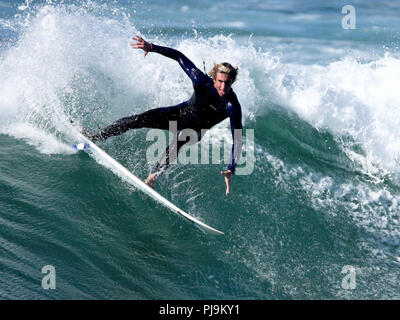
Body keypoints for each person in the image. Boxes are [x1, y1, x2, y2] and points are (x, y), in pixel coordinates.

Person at [86, 35, 242, 196]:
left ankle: (153, 177)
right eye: (220, 81)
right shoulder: (201, 81)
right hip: (180, 114)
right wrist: (152, 47)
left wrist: (231, 168)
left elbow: (237, 140)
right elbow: (179, 56)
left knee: (182, 136)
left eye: (228, 82)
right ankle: (96, 136)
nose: (223, 87)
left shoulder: (232, 106)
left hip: (196, 131)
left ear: (232, 81)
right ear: (214, 78)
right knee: (137, 119)